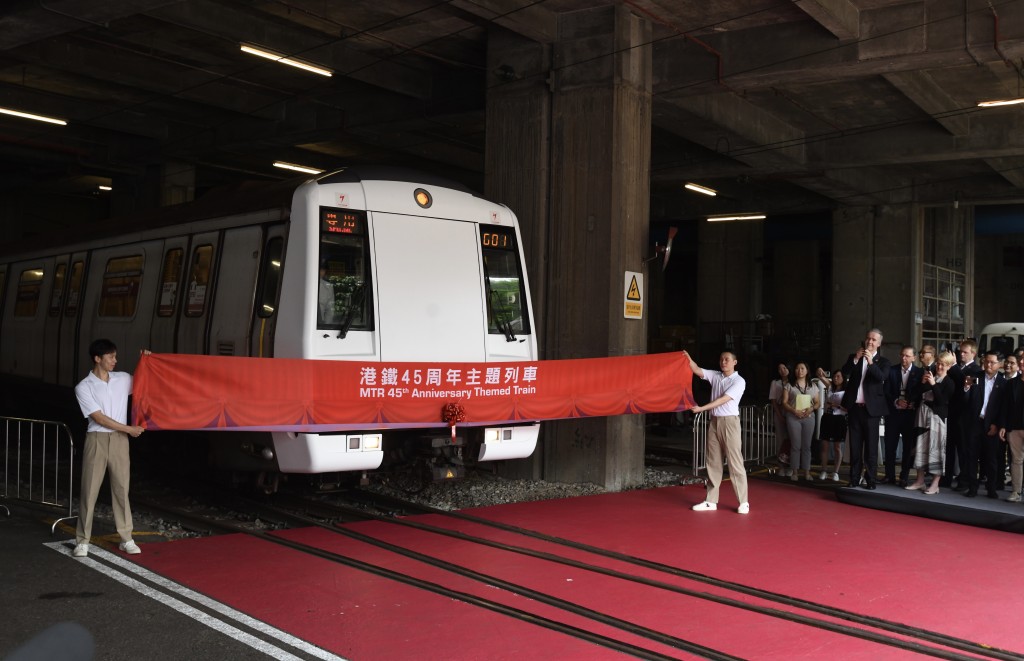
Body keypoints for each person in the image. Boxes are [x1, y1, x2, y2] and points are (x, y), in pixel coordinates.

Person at [73, 339, 147, 558]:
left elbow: (146, 381)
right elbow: (99, 418)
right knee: (89, 489)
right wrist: (128, 428)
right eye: (111, 357)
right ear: (98, 358)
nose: (115, 360)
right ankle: (82, 541)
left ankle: (126, 538)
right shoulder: (84, 387)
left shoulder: (122, 379)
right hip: (97, 439)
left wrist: (147, 361)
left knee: (121, 489)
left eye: (115, 356)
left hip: (119, 441)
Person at [684, 350, 749, 514]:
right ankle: (711, 501)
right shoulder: (715, 375)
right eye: (721, 359)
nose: (723, 362)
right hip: (714, 421)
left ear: (735, 362)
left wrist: (701, 409)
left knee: (735, 462)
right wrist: (687, 358)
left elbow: (723, 400)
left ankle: (743, 502)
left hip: (730, 422)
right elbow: (697, 369)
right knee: (713, 461)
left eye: (727, 359)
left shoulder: (739, 381)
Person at [840, 328, 891, 489]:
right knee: (855, 446)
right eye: (868, 338)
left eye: (874, 339)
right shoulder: (854, 357)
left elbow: (881, 377)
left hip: (872, 411)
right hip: (855, 409)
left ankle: (870, 480)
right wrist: (856, 359)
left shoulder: (883, 362)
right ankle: (854, 479)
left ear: (879, 343)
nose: (870, 341)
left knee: (871, 448)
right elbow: (844, 372)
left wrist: (870, 362)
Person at [905, 350, 956, 494]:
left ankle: (935, 484)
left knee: (936, 450)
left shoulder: (949, 383)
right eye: (939, 364)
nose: (939, 367)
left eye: (943, 365)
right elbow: (915, 395)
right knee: (919, 448)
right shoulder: (929, 376)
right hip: (922, 415)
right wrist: (922, 383)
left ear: (949, 366)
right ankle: (920, 481)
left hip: (937, 418)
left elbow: (941, 401)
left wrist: (933, 384)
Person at [961, 350, 1005, 498]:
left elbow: (1004, 407)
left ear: (1000, 364)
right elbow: (965, 400)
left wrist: (997, 424)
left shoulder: (1003, 383)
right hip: (975, 422)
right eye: (986, 361)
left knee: (991, 458)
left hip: (992, 425)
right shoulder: (975, 377)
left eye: (992, 362)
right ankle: (972, 488)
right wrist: (966, 388)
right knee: (972, 456)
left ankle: (991, 488)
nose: (988, 365)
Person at [942, 339, 982, 489]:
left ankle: (964, 480)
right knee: (949, 448)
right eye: (960, 352)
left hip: (965, 417)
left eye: (965, 352)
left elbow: (965, 382)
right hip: (951, 413)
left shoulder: (976, 370)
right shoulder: (955, 367)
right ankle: (946, 478)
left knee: (964, 449)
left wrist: (952, 366)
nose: (961, 354)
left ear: (973, 353)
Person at [883, 346, 922, 486]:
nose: (904, 358)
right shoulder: (892, 370)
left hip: (909, 415)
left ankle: (904, 476)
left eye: (907, 356)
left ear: (914, 358)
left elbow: (922, 392)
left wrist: (914, 404)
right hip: (893, 413)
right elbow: (886, 391)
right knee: (890, 445)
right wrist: (896, 401)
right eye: (902, 355)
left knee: (907, 447)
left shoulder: (919, 372)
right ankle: (889, 475)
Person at [781, 362, 818, 481]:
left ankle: (807, 472)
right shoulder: (789, 385)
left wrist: (811, 409)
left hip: (809, 417)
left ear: (807, 371)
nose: (799, 371)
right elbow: (784, 402)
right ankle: (795, 472)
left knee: (807, 445)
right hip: (793, 417)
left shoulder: (813, 385)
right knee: (796, 445)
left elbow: (818, 402)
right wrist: (793, 411)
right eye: (797, 368)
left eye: (802, 368)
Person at [999, 355, 1024, 502]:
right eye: (1020, 360)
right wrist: (1003, 425)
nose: (1021, 362)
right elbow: (1005, 406)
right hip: (1014, 427)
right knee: (1016, 460)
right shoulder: (1012, 383)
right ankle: (1016, 492)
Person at [818, 369, 847, 481]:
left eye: (838, 376)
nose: (836, 378)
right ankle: (824, 470)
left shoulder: (847, 391)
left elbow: (849, 407)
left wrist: (837, 405)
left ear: (843, 378)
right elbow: (820, 375)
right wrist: (821, 372)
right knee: (824, 445)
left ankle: (836, 472)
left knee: (837, 447)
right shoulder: (830, 386)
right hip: (827, 417)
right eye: (834, 376)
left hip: (839, 418)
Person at [768, 363, 791, 474]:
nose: (782, 370)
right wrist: (779, 415)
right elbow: (773, 401)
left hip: (792, 412)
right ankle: (781, 465)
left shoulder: (794, 382)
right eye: (780, 368)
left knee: (792, 440)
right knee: (780, 440)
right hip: (779, 411)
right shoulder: (775, 383)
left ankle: (791, 466)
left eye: (785, 367)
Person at [318, 260, 337, 325]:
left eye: (323, 269)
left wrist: (325, 326)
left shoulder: (328, 286)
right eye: (320, 269)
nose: (321, 271)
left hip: (320, 324)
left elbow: (330, 310)